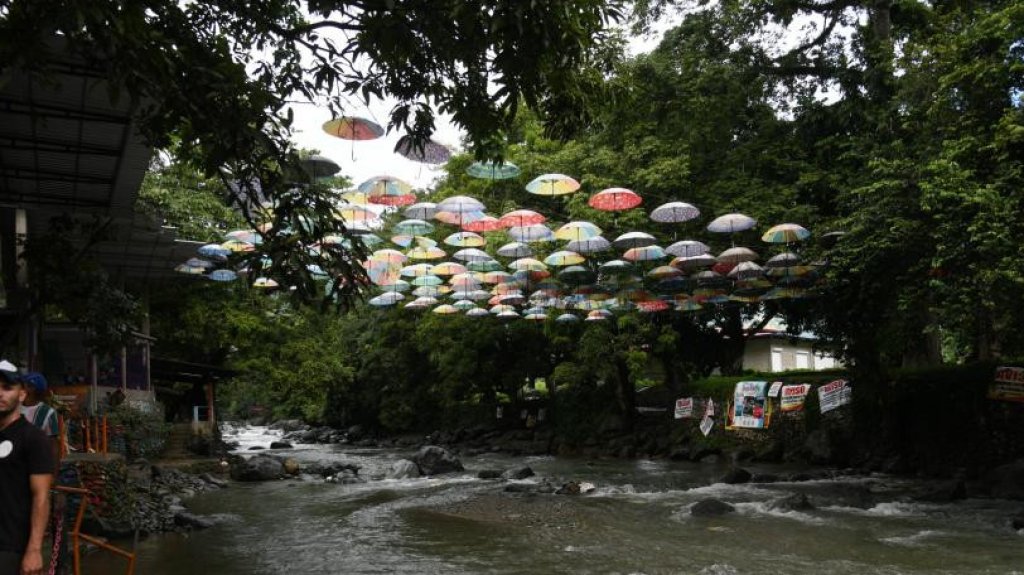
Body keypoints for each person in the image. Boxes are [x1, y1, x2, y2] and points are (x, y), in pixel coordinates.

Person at [0, 361, 55, 575]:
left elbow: (41, 496)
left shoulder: (33, 439)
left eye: (7, 388)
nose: (0, 394)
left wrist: (34, 549)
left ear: (21, 394)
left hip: (11, 547)